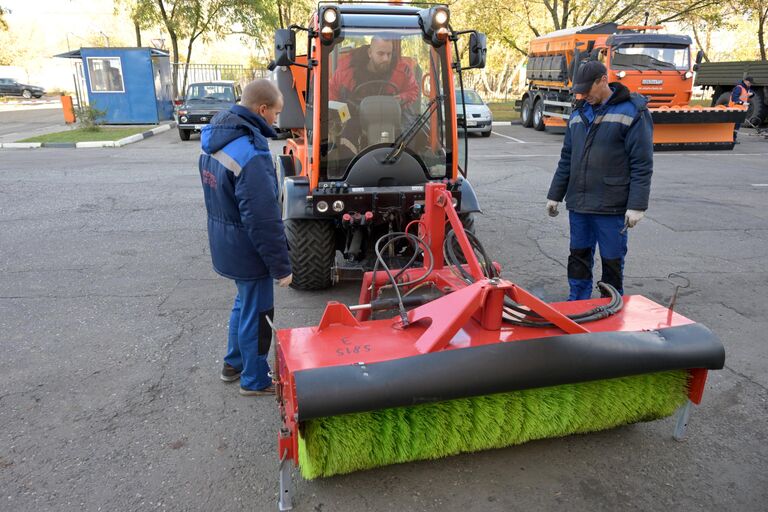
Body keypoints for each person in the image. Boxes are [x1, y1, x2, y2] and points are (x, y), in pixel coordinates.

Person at [198, 79, 292, 396]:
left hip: (226, 240)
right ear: (261, 110)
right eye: (275, 114)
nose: (276, 121)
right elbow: (263, 219)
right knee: (259, 312)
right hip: (248, 248)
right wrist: (281, 267)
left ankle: (233, 364)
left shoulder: (217, 138)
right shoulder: (250, 153)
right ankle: (254, 379)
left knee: (244, 303)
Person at [546, 61, 653, 301]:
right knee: (578, 256)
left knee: (612, 260)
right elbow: (567, 159)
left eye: (587, 89)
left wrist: (637, 205)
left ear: (603, 80)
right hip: (580, 204)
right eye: (580, 91)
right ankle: (578, 302)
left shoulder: (633, 112)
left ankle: (610, 303)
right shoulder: (578, 114)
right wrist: (555, 194)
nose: (583, 95)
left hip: (611, 205)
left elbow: (642, 163)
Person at [329, 35, 419, 107]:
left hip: (390, 120)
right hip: (353, 120)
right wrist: (343, 116)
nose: (386, 59)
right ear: (370, 53)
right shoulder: (347, 70)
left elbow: (413, 90)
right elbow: (331, 93)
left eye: (389, 54)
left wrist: (402, 98)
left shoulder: (402, 71)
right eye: (381, 54)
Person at [729, 76, 754, 143]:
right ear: (745, 81)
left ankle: (733, 139)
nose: (750, 84)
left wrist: (752, 94)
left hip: (741, 110)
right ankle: (731, 139)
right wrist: (742, 103)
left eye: (751, 83)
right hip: (734, 109)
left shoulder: (747, 88)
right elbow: (734, 99)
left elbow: (751, 93)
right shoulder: (738, 88)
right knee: (734, 125)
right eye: (749, 83)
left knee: (737, 125)